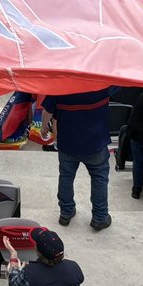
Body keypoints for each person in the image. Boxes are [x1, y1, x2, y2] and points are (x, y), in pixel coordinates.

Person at [42, 87, 112, 231]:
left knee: (66, 177)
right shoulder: (103, 83)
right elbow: (123, 78)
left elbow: (47, 111)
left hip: (68, 142)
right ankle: (100, 217)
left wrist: (43, 128)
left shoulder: (60, 86)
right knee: (99, 178)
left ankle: (65, 213)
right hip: (95, 143)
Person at [4, 227, 83, 286]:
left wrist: (13, 256)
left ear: (38, 252)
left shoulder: (28, 274)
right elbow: (80, 279)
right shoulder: (73, 267)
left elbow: (13, 283)